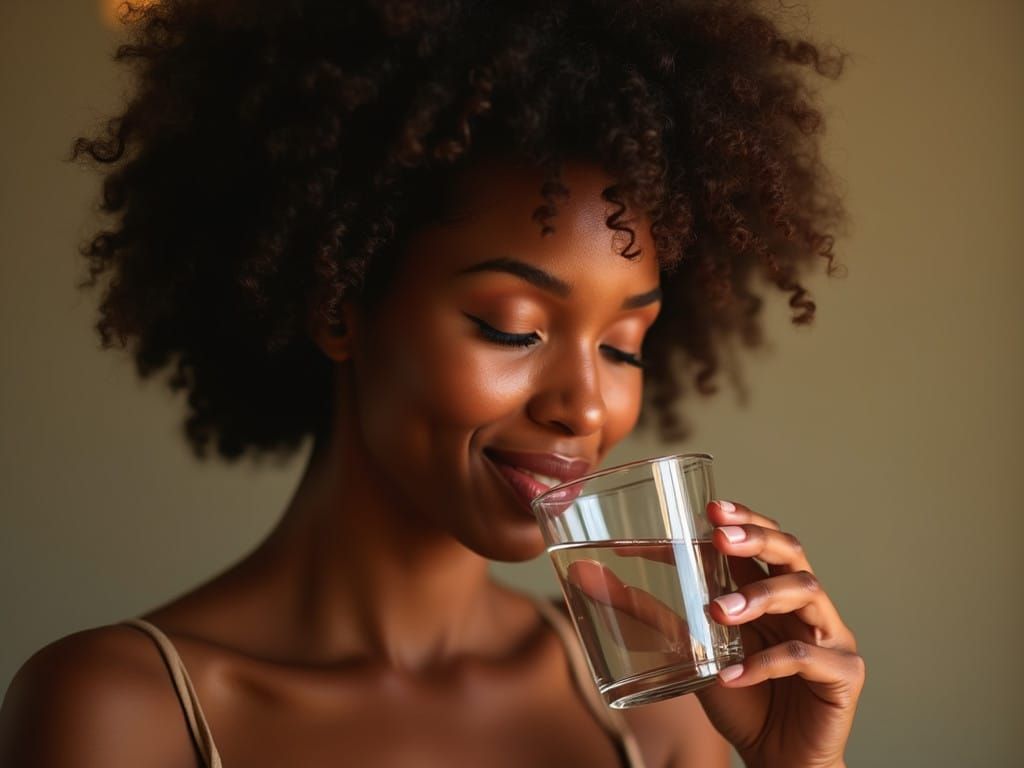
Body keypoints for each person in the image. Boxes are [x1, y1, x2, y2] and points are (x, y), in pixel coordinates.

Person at [0, 0, 864, 766]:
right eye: (513, 327)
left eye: (625, 344)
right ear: (341, 307)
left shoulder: (662, 708)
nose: (587, 405)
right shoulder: (120, 712)